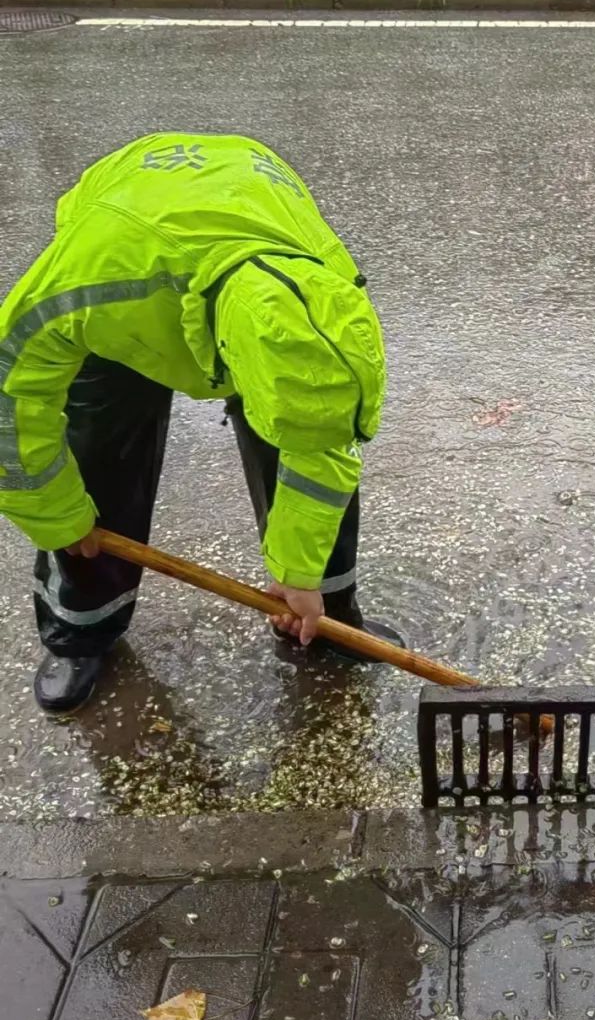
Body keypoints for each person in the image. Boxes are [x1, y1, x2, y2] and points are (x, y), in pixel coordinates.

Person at [0, 133, 403, 714]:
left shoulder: (328, 294)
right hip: (132, 268)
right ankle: (80, 630)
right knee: (100, 463)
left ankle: (326, 617)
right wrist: (59, 515)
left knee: (301, 444)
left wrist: (300, 576)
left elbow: (323, 450)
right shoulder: (92, 286)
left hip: (236, 238)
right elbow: (12, 398)